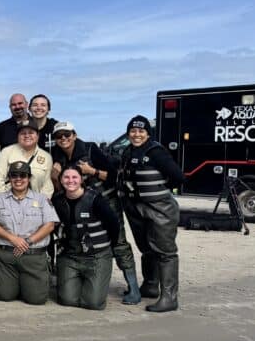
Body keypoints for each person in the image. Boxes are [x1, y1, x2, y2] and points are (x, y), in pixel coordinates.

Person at [50, 121, 140, 304]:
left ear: (74, 135)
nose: (63, 139)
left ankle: (134, 288)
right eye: (59, 136)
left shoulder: (90, 150)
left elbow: (114, 176)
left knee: (119, 242)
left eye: (67, 135)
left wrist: (92, 171)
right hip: (82, 205)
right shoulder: (58, 156)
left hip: (106, 201)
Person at [119, 115, 184, 313]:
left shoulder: (156, 152)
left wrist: (158, 190)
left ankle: (169, 297)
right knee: (147, 248)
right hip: (135, 207)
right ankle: (150, 284)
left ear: (148, 133)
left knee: (165, 252)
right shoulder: (127, 152)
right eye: (133, 131)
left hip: (159, 209)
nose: (136, 134)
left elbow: (178, 177)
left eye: (141, 131)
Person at [0, 160, 59, 305]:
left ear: (29, 178)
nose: (18, 179)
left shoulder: (42, 199)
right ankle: (16, 284)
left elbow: (50, 225)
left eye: (23, 175)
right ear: (9, 178)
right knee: (4, 296)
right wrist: (12, 238)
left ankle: (27, 284)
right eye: (14, 175)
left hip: (33, 256)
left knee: (36, 300)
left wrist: (27, 241)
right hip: (7, 255)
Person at [52, 165, 120, 310]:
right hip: (70, 256)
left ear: (81, 179)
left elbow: (114, 225)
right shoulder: (57, 200)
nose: (71, 181)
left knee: (93, 303)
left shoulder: (95, 199)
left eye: (74, 177)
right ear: (61, 180)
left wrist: (108, 248)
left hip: (96, 256)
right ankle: (77, 281)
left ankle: (93, 283)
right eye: (66, 177)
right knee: (66, 300)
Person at [0, 122, 54, 197]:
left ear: (38, 136)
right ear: (17, 136)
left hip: (36, 203)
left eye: (31, 133)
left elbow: (47, 185)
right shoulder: (6, 152)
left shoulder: (46, 157)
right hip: (9, 201)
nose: (27, 136)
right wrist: (2, 203)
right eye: (23, 133)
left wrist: (41, 204)